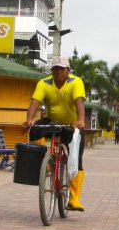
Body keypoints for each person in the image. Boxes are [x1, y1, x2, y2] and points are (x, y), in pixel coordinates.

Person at [23, 56, 87, 211]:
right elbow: (35, 102)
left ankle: (74, 199)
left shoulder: (75, 82)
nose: (59, 71)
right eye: (55, 68)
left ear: (68, 70)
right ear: (51, 71)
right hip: (53, 123)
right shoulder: (44, 83)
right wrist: (29, 119)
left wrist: (80, 120)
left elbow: (79, 101)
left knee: (76, 158)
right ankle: (46, 164)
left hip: (72, 127)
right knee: (32, 131)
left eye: (62, 69)